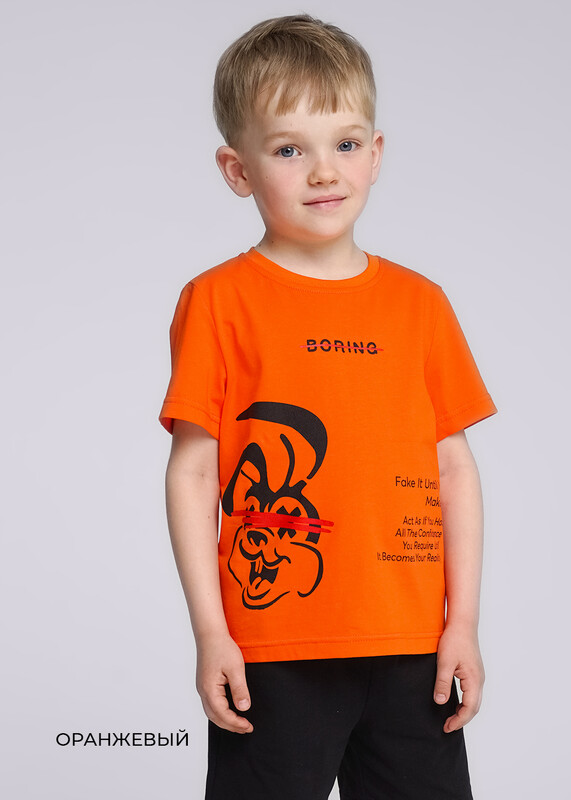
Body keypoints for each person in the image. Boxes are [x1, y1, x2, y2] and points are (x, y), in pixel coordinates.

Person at [159, 14, 497, 800]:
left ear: (374, 155)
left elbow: (453, 470)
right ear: (237, 170)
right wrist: (211, 633)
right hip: (273, 649)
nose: (322, 172)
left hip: (412, 647)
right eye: (288, 150)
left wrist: (462, 623)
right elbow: (194, 473)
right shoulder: (217, 302)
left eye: (344, 144)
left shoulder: (420, 304)